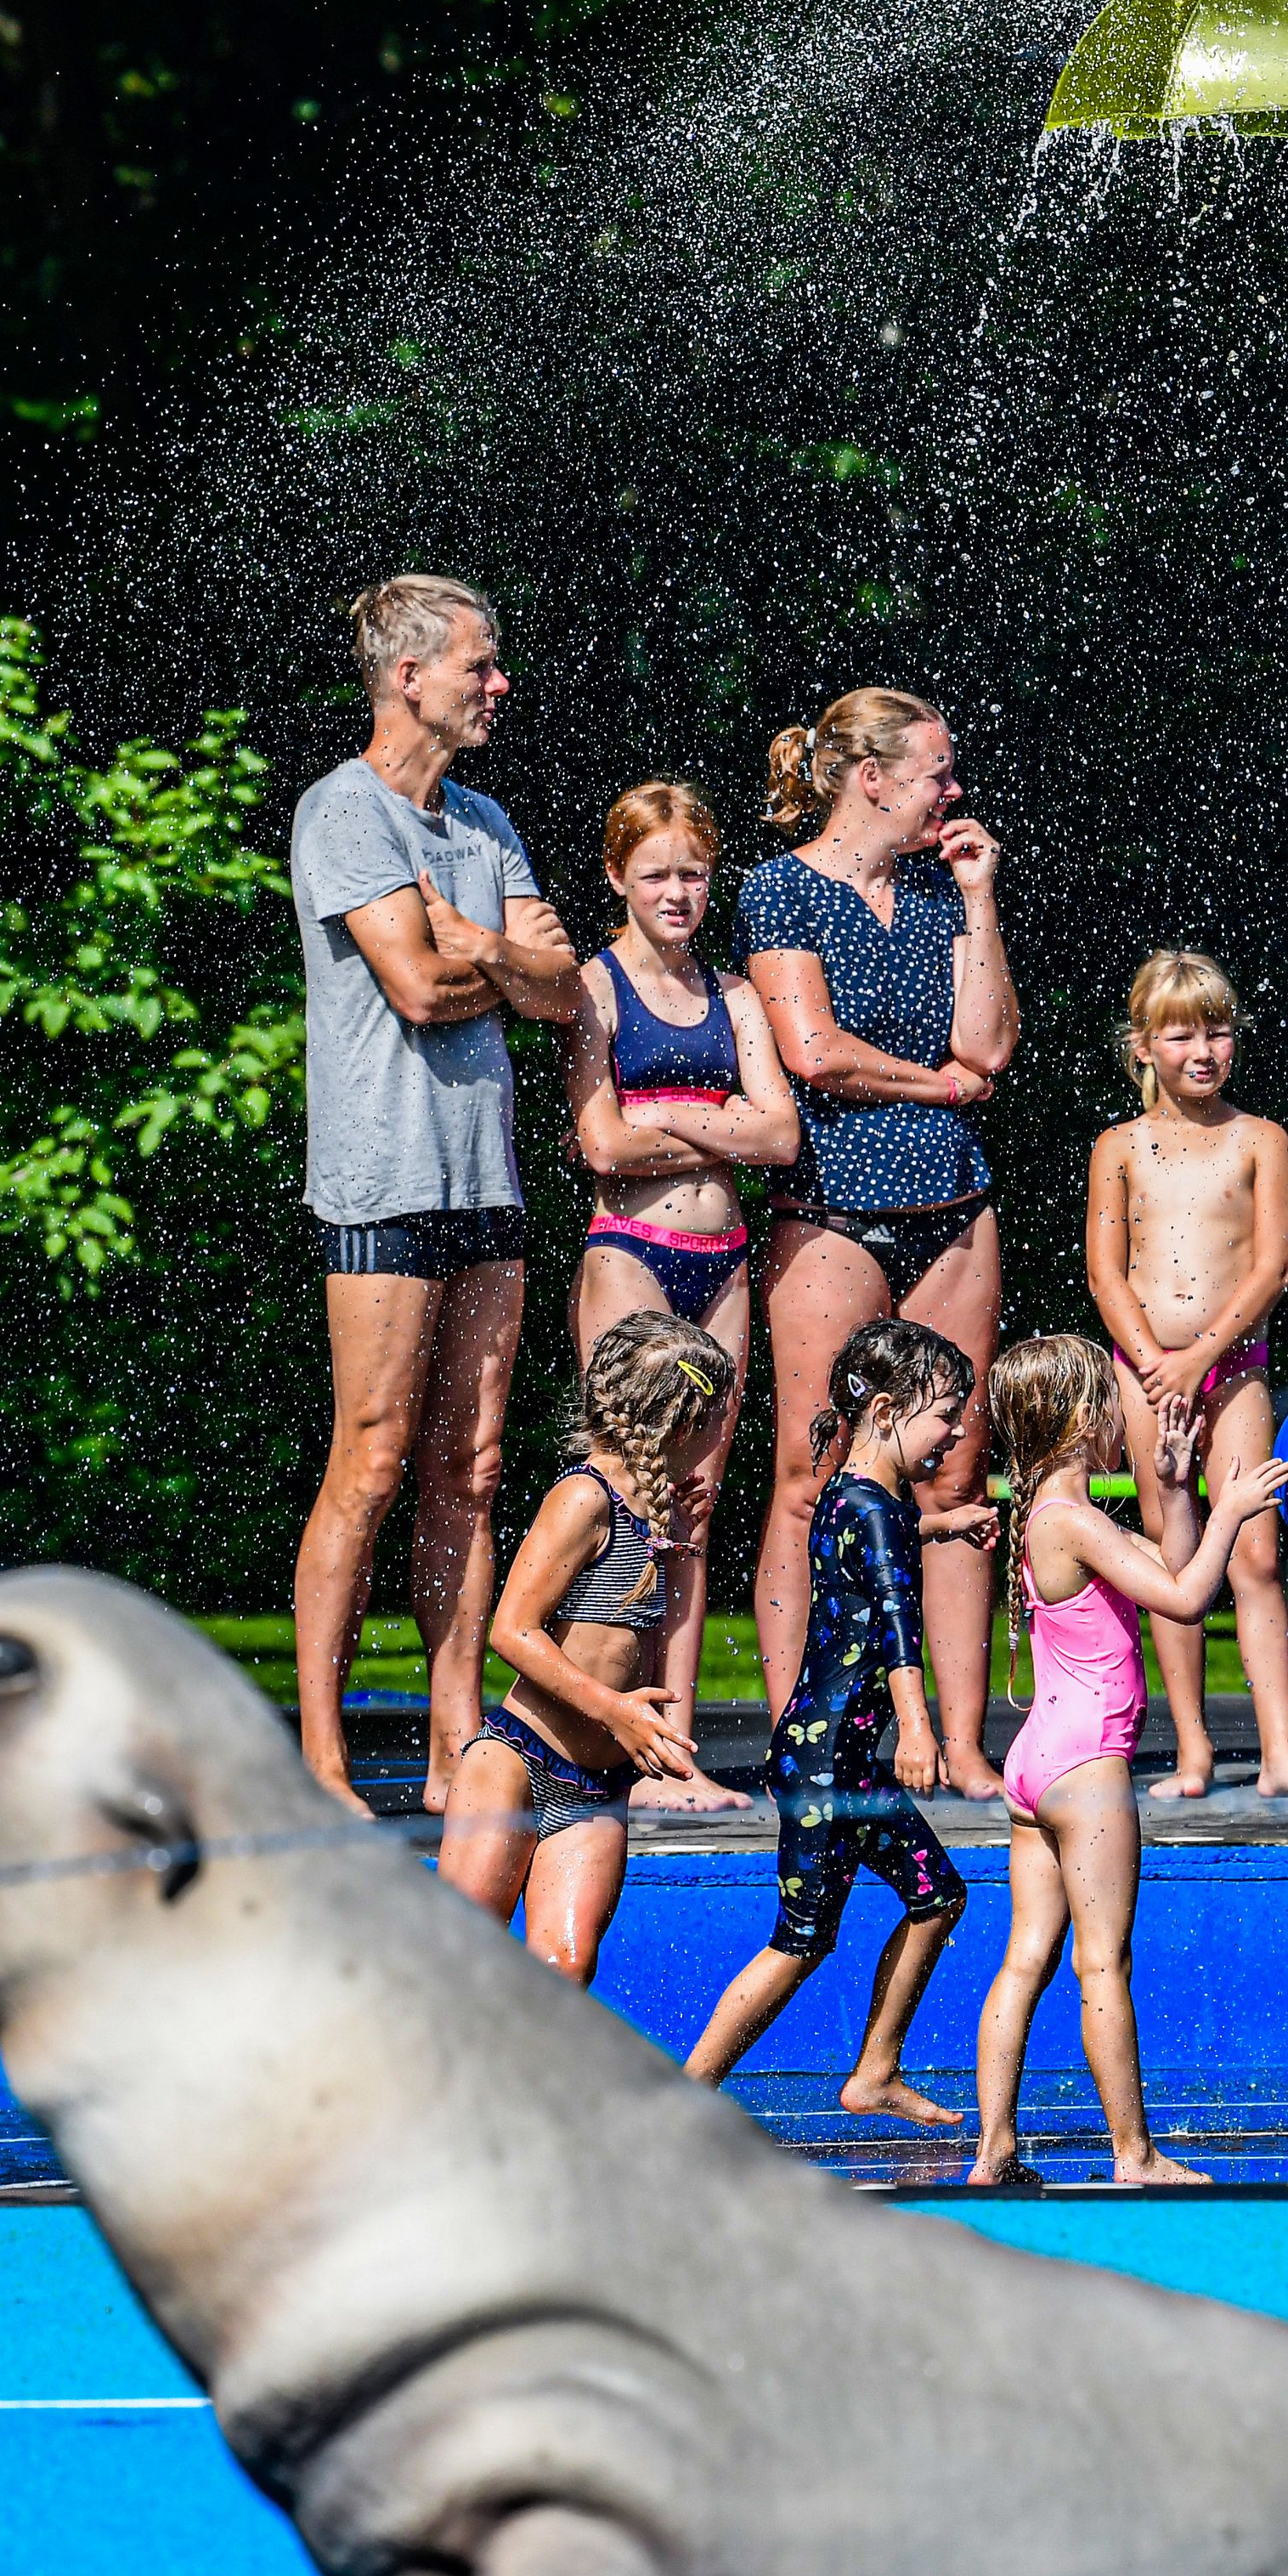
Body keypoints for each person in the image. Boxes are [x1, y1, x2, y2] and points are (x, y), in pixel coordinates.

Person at [287, 575, 585, 1815]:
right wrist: (488, 958)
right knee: (371, 1456)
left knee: (470, 1462)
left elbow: (566, 991)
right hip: (382, 1176)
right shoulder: (343, 811)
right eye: (480, 662)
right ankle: (319, 1755)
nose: (498, 682)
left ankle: (462, 1738)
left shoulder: (484, 823)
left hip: (485, 1178)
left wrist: (491, 950)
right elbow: (417, 986)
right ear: (409, 677)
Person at [739, 689, 1014, 1790]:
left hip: (953, 1208)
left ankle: (955, 1745)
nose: (953, 792)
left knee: (954, 1473)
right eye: (937, 773)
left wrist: (982, 903)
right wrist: (936, 1082)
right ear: (873, 778)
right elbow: (812, 1050)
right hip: (832, 1210)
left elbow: (988, 1049)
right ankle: (805, 1731)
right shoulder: (779, 890)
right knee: (811, 1474)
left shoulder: (943, 898)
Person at [960, 1333, 1288, 2189]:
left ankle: (994, 2147)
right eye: (1113, 1402)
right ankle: (1134, 2153)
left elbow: (1170, 1567)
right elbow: (1188, 1599)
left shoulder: (1059, 1516)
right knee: (1103, 1961)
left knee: (1026, 1956)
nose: (1125, 1417)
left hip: (1038, 1760)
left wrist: (1179, 1489)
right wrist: (1230, 1507)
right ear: (1083, 1418)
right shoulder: (1070, 1521)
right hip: (1086, 1769)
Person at [685, 1317, 995, 2126]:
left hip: (830, 1760)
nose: (958, 1432)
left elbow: (876, 1549)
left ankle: (874, 2073)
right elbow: (898, 1623)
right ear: (888, 1410)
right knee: (801, 1939)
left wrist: (942, 1524)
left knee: (937, 1896)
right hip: (828, 1768)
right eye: (946, 1415)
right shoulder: (879, 1509)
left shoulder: (850, 1495)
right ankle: (682, 2102)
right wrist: (918, 1730)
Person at [564, 780, 799, 1805]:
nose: (677, 893)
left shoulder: (737, 995)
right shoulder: (596, 985)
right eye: (656, 874)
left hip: (723, 1263)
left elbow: (780, 1134)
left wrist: (677, 1113)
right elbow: (602, 1141)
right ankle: (601, 1734)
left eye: (694, 875)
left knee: (695, 1505)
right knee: (628, 1500)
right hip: (630, 1253)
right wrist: (720, 1116)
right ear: (618, 877)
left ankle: (678, 1745)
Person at [1081, 948, 1288, 1803]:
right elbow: (1106, 1272)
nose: (1203, 1050)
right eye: (1181, 1033)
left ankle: (1281, 1749)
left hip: (1232, 1369)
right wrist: (1154, 1365)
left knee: (1256, 1551)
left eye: (1217, 1032)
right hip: (1148, 1373)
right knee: (1174, 1551)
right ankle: (1192, 1747)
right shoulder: (1120, 1146)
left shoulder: (1260, 1139)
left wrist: (1198, 1361)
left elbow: (1272, 1269)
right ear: (1142, 1046)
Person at [438, 1311, 732, 1985]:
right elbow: (511, 1628)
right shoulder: (582, 1496)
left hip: (597, 1786)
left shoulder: (653, 1510)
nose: (720, 1439)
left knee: (565, 1966)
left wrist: (680, 1537)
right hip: (514, 1759)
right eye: (717, 1421)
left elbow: (648, 1630)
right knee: (458, 1958)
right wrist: (616, 1711)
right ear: (682, 1423)